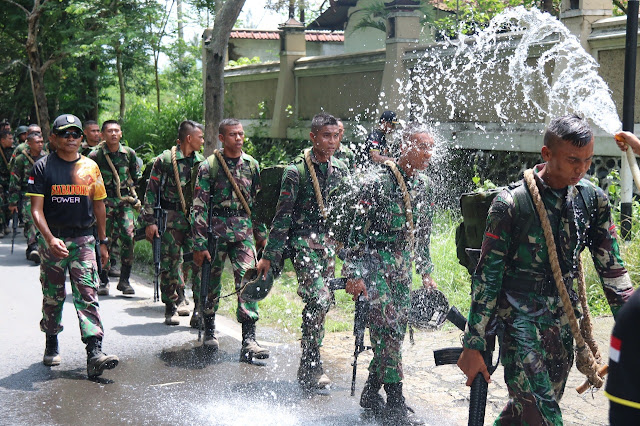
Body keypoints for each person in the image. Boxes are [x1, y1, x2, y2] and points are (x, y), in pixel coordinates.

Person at [457, 114, 634, 425]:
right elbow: (487, 278)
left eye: (588, 160)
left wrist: (635, 326)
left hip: (565, 322)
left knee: (525, 411)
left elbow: (613, 272)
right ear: (547, 154)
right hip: (519, 319)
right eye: (572, 160)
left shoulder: (593, 200)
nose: (581, 168)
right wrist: (474, 343)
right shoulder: (511, 203)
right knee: (543, 414)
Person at [341, 126, 436, 424]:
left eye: (432, 147)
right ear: (405, 146)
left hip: (402, 265)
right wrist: (353, 273)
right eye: (422, 146)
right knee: (386, 326)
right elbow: (355, 231)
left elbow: (422, 234)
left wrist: (425, 271)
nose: (428, 154)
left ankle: (371, 390)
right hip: (373, 264)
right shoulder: (378, 182)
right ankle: (395, 400)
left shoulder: (425, 185)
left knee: (394, 329)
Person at [256, 112, 350, 387]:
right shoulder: (295, 172)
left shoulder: (341, 170)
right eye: (326, 136)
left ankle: (307, 363)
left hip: (328, 246)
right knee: (319, 298)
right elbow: (282, 217)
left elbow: (344, 214)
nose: (331, 141)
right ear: (313, 137)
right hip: (301, 244)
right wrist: (269, 257)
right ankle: (312, 362)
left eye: (335, 136)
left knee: (322, 302)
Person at [26, 114, 119, 379]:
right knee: (53, 296)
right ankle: (52, 339)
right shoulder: (42, 168)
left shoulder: (91, 168)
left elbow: (99, 206)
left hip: (84, 240)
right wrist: (49, 239)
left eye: (76, 134)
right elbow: (36, 210)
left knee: (87, 294)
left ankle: (94, 352)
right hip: (53, 241)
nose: (71, 138)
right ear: (53, 138)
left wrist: (103, 242)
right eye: (65, 134)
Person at [192, 118, 269, 361]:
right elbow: (199, 206)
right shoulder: (209, 166)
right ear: (222, 138)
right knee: (211, 282)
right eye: (233, 134)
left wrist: (262, 236)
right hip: (215, 232)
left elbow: (259, 204)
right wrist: (199, 243)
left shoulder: (252, 165)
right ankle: (210, 328)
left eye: (241, 134)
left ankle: (249, 338)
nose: (238, 138)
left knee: (248, 281)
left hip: (243, 232)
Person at [142, 120, 204, 325]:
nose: (202, 140)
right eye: (200, 137)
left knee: (198, 262)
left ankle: (199, 309)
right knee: (170, 262)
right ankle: (171, 306)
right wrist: (150, 221)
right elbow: (151, 191)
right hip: (170, 218)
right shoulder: (166, 160)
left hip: (194, 220)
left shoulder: (201, 162)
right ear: (189, 138)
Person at [89, 120, 140, 295]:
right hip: (103, 202)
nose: (113, 134)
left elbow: (136, 177)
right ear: (103, 135)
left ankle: (124, 280)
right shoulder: (95, 156)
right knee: (105, 240)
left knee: (128, 236)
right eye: (109, 131)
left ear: (121, 134)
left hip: (124, 201)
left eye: (116, 130)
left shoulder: (129, 154)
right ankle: (103, 280)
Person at [9, 131, 46, 263]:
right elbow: (15, 181)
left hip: (44, 194)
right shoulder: (21, 159)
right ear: (29, 143)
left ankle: (40, 246)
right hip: (27, 194)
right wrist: (13, 202)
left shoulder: (47, 158)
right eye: (37, 142)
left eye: (42, 142)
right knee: (31, 219)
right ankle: (33, 246)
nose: (40, 144)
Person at [0, 130, 14, 235]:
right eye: (10, 139)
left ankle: (6, 223)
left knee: (9, 203)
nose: (12, 141)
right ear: (3, 140)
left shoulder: (12, 151)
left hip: (9, 181)